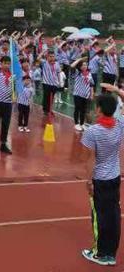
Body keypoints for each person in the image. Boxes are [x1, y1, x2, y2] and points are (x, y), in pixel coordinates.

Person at [81, 88, 124, 267]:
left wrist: (89, 181)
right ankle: (111, 252)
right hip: (115, 177)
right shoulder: (120, 124)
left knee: (99, 217)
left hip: (100, 179)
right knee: (114, 215)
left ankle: (100, 254)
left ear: (99, 109)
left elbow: (90, 159)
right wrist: (119, 92)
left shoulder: (93, 131)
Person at [71, 57, 94, 132]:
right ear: (80, 66)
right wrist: (79, 59)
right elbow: (72, 66)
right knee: (77, 109)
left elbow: (91, 84)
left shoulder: (89, 74)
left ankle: (82, 123)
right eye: (83, 65)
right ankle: (76, 124)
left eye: (86, 65)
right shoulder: (77, 73)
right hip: (77, 94)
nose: (85, 66)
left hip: (86, 95)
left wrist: (91, 94)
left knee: (83, 110)